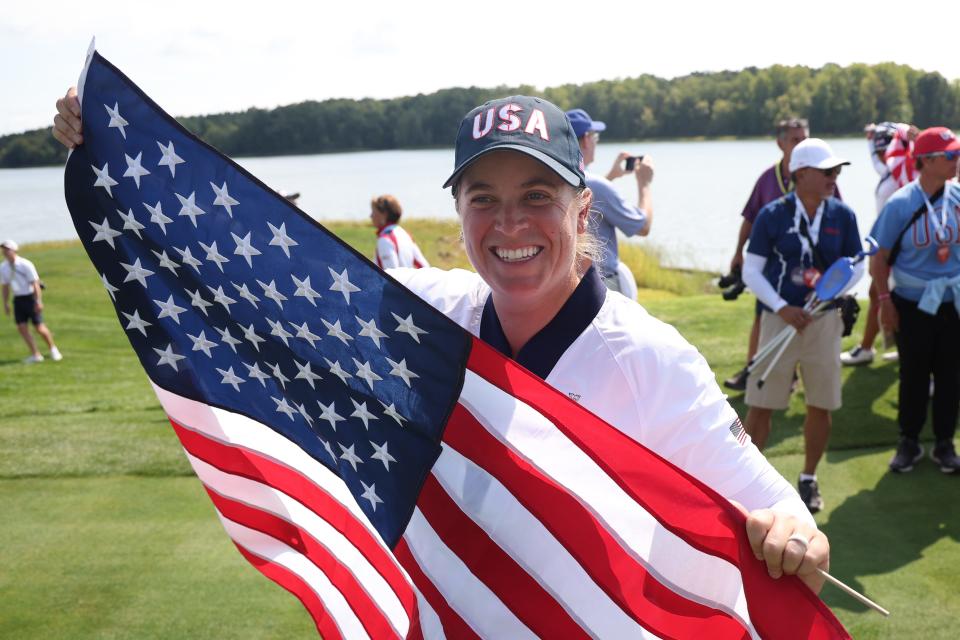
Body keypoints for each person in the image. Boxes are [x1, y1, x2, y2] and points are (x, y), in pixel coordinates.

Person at [53, 90, 829, 593]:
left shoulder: (650, 360)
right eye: (483, 200)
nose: (510, 224)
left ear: (582, 210)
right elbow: (261, 274)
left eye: (537, 197)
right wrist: (112, 162)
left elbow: (780, 516)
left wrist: (795, 534)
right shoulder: (427, 316)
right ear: (458, 215)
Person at [741, 138, 862, 513]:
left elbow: (856, 266)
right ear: (801, 173)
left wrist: (831, 293)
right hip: (779, 319)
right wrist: (782, 306)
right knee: (761, 403)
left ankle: (808, 478)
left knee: (820, 403)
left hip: (824, 320)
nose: (834, 177)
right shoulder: (772, 215)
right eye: (827, 171)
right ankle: (746, 482)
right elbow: (751, 270)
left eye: (837, 171)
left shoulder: (843, 215)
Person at [871, 126, 960, 474]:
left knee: (951, 376)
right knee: (914, 374)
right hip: (911, 302)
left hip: (952, 303)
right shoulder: (901, 203)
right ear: (925, 161)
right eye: (950, 156)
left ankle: (944, 444)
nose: (956, 161)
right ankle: (908, 441)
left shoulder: (958, 197)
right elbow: (879, 258)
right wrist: (884, 301)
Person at [725, 118, 818, 391]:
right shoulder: (768, 179)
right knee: (764, 315)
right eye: (795, 140)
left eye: (805, 139)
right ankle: (752, 368)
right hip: (773, 267)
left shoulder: (820, 177)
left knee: (811, 317)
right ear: (781, 143)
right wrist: (738, 252)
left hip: (811, 266)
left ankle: (799, 375)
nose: (801, 145)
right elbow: (750, 217)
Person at [841, 122, 917, 366]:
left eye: (886, 150)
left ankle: (870, 348)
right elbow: (876, 161)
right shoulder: (890, 169)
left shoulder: (900, 175)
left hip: (896, 249)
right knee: (881, 295)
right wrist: (869, 140)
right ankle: (875, 347)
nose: (883, 155)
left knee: (884, 295)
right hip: (886, 245)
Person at [564, 108, 653, 293]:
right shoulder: (598, 185)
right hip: (602, 286)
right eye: (595, 138)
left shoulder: (559, 179)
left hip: (568, 285)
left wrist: (611, 176)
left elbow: (588, 197)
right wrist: (644, 184)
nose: (595, 142)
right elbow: (643, 226)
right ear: (587, 139)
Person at [1, 240, 63, 363]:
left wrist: (38, 301)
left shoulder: (25, 264)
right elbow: (5, 286)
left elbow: (35, 284)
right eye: (3, 250)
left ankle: (53, 350)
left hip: (30, 298)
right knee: (22, 328)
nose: (5, 252)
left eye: (7, 249)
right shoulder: (3, 267)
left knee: (39, 327)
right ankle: (36, 354)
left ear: (14, 250)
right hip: (18, 299)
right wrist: (6, 303)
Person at [369, 194, 429, 269]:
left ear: (384, 214)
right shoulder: (405, 235)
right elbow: (425, 267)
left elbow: (391, 276)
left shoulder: (385, 239)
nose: (371, 216)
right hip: (406, 280)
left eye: (374, 211)